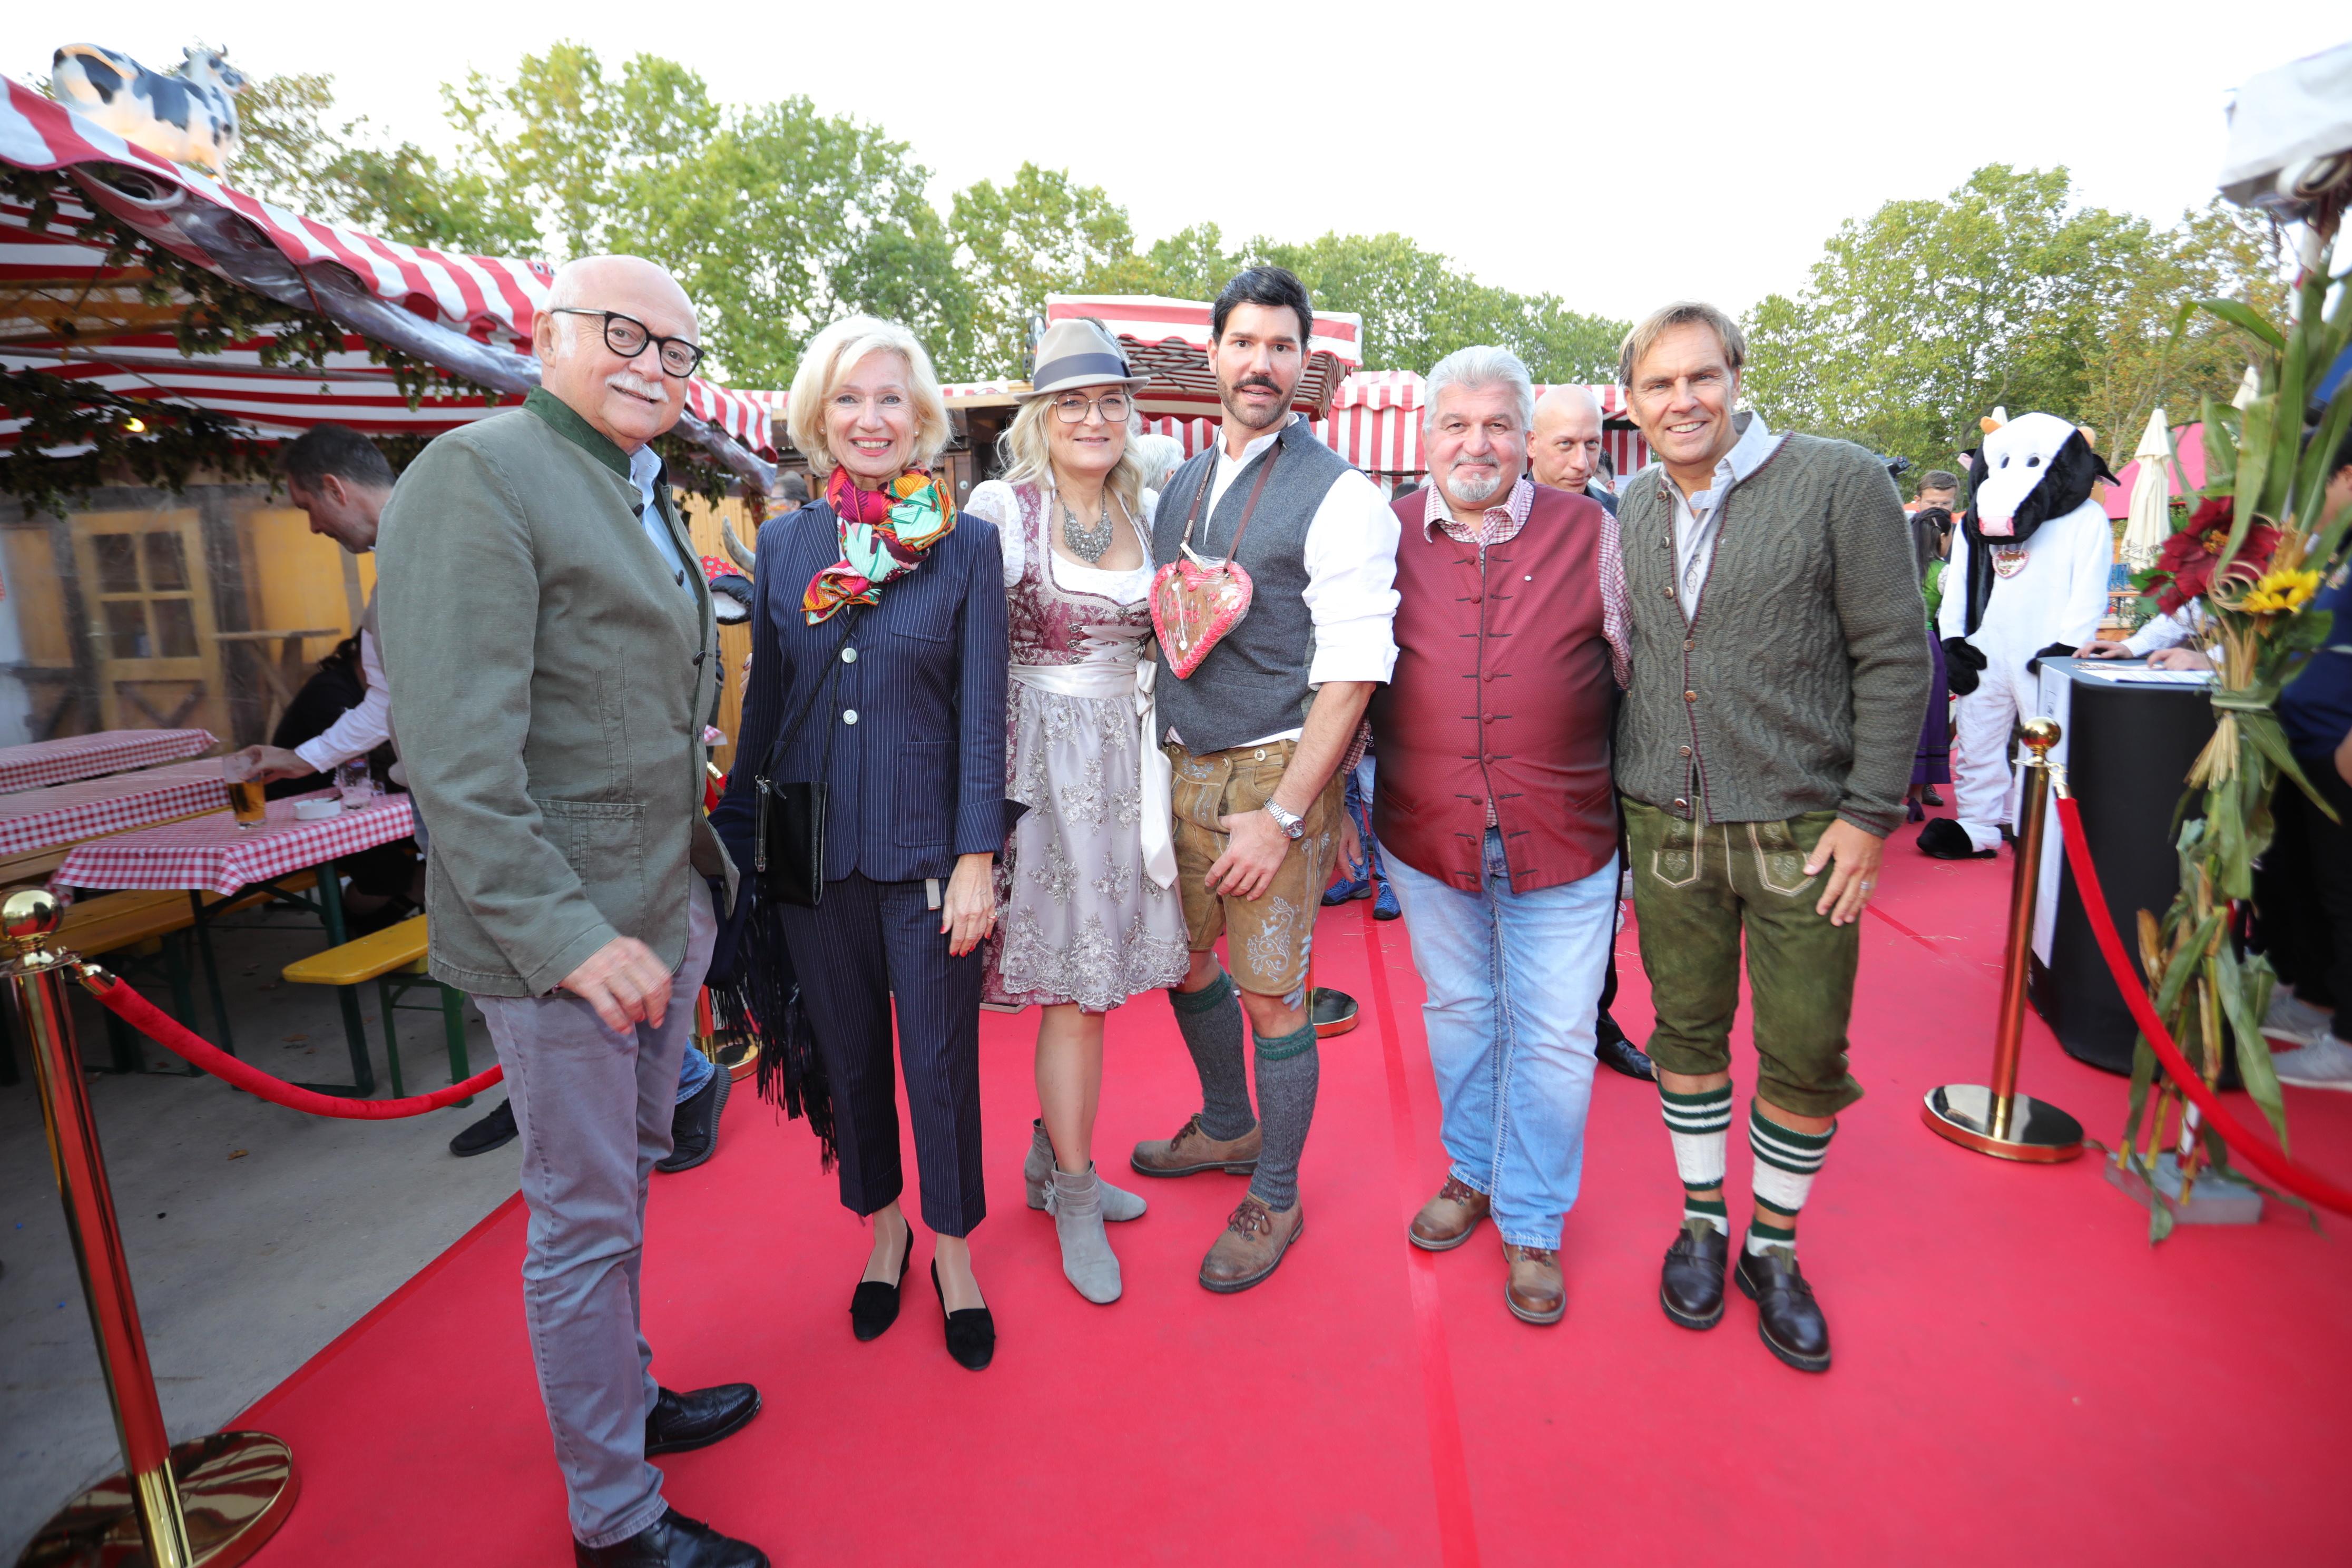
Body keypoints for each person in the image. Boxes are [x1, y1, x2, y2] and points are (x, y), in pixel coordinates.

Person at [378, 255, 765, 1567]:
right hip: (565, 940)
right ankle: (615, 1522)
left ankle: (623, 1403)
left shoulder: (630, 483)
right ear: (545, 335)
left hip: (656, 911)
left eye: (677, 346)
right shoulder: (477, 474)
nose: (655, 362)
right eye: (623, 333)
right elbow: (455, 757)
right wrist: (566, 940)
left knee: (619, 1201)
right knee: (583, 1220)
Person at [1614, 301, 1928, 1374]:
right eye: (1660, 386)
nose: (1683, 401)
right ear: (1634, 405)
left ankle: (1776, 1249)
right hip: (1667, 819)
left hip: (1804, 824)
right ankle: (1704, 1224)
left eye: (1701, 378)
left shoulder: (1840, 480)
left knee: (1804, 1048)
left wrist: (1869, 813)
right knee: (1686, 1033)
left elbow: (1896, 655)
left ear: (1737, 376)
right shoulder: (1634, 505)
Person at [707, 313, 1014, 1371]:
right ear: (817, 418)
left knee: (938, 1060)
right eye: (848, 399)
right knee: (845, 1058)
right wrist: (734, 848)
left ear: (922, 416)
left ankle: (954, 1249)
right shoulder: (788, 544)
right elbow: (768, 712)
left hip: (929, 851)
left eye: (889, 398)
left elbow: (985, 715)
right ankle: (883, 1230)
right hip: (807, 849)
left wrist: (979, 858)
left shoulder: (967, 544)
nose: (869, 418)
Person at [1128, 266, 1400, 1292]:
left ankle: (1275, 1192)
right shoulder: (1183, 488)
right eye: (1244, 343)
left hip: (1279, 774)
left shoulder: (1343, 495)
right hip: (1181, 766)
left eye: (1282, 347)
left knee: (1273, 999)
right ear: (1212, 355)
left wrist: (1283, 818)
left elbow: (1353, 675)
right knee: (1184, 964)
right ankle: (1230, 1126)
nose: (1261, 363)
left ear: (1305, 364)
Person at [1372, 346, 1628, 1326]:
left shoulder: (1593, 534)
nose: (1473, 443)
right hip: (1425, 831)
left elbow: (1634, 666)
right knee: (1461, 1013)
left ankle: (1531, 1220)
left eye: (1494, 426)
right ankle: (1469, 1174)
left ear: (1525, 440)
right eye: (1454, 424)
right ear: (1424, 434)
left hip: (1563, 830)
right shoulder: (1383, 533)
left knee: (1559, 1034)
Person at [963, 319, 1188, 1305]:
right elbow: (967, 657)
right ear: (1039, 417)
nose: (1092, 419)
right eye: (1070, 403)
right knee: (1077, 999)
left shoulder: (1150, 511)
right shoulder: (1001, 509)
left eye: (1107, 401)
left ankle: (1048, 1160)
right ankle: (1076, 1192)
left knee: (1089, 990)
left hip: (1122, 760)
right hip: (1037, 765)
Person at [227, 424, 421, 929]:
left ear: (335, 489)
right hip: (454, 801)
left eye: (306, 507)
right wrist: (299, 758)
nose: (313, 527)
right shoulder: (394, 575)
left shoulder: (457, 530)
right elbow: (385, 700)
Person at [1920, 413, 2116, 860]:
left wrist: (2067, 648)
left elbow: (2090, 590)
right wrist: (1953, 641)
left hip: (2045, 651)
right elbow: (1963, 582)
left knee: (2045, 742)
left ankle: (2040, 824)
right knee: (1977, 737)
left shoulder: (2085, 519)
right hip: (1985, 648)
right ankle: (1979, 822)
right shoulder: (1977, 520)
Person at [1527, 383, 1653, 1080]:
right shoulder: (1494, 521)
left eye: (1591, 446)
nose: (1580, 460)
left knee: (1597, 903)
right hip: (1513, 758)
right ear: (1531, 446)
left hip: (1601, 751)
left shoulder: (1617, 520)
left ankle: (1596, 1023)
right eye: (1565, 445)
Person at [2255, 428, 2352, 1089]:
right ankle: (2317, 999)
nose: (2302, 499)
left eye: (2314, 482)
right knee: (2309, 882)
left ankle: (2348, 1042)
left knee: (2346, 892)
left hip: (2339, 749)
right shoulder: (2329, 553)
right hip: (2300, 743)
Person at [1907, 472, 1960, 822]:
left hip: (1898, 641)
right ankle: (1915, 794)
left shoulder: (1898, 565)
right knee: (1930, 719)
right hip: (1930, 643)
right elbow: (1957, 613)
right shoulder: (1944, 570)